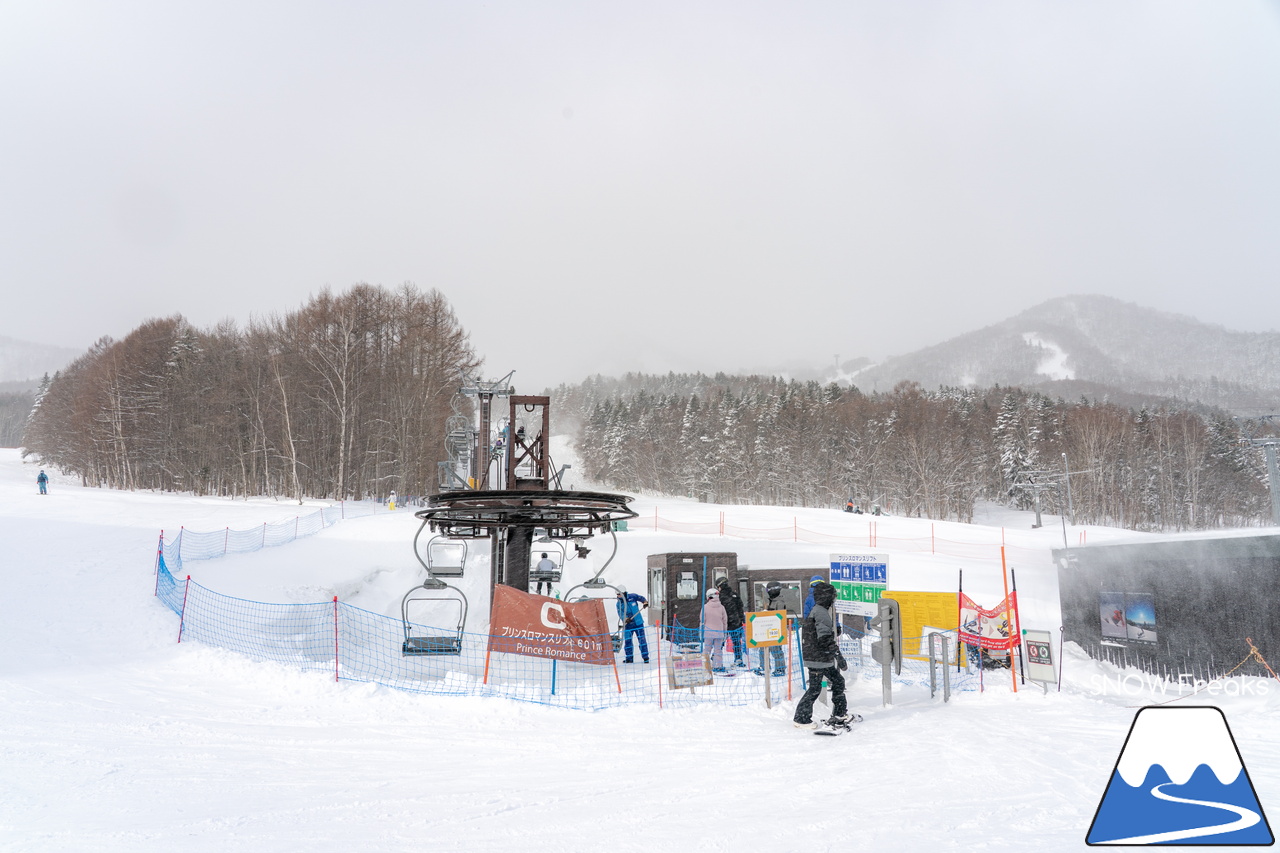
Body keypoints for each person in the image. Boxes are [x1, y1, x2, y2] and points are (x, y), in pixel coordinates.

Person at [793, 580, 855, 730]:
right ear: (827, 597)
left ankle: (840, 713)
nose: (834, 600)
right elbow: (824, 638)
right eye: (833, 597)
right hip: (817, 657)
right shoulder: (820, 613)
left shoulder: (819, 610)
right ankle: (801, 719)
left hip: (820, 656)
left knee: (838, 680)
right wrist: (838, 656)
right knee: (815, 688)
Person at [753, 581, 787, 676]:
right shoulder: (772, 601)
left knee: (775, 649)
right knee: (763, 648)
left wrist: (769, 613)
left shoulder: (779, 602)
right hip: (767, 629)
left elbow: (779, 616)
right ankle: (764, 667)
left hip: (776, 630)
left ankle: (780, 668)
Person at [715, 578, 747, 667]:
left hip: (723, 623)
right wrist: (741, 620)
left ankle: (715, 659)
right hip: (735, 622)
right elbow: (740, 608)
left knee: (720, 641)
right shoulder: (734, 595)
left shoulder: (719, 597)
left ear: (720, 586)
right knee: (736, 642)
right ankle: (738, 659)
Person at [615, 585, 649, 664]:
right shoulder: (619, 604)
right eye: (617, 595)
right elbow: (621, 613)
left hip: (638, 623)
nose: (618, 596)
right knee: (628, 641)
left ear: (623, 593)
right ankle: (629, 658)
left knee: (642, 640)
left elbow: (641, 598)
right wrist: (626, 619)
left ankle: (645, 657)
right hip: (628, 624)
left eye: (619, 594)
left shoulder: (632, 597)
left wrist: (645, 602)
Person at [701, 588, 728, 672]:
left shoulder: (705, 607)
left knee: (707, 649)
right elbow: (725, 621)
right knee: (718, 650)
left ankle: (704, 665)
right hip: (719, 632)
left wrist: (701, 632)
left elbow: (702, 621)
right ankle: (718, 666)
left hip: (708, 632)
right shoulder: (722, 607)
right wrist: (725, 632)